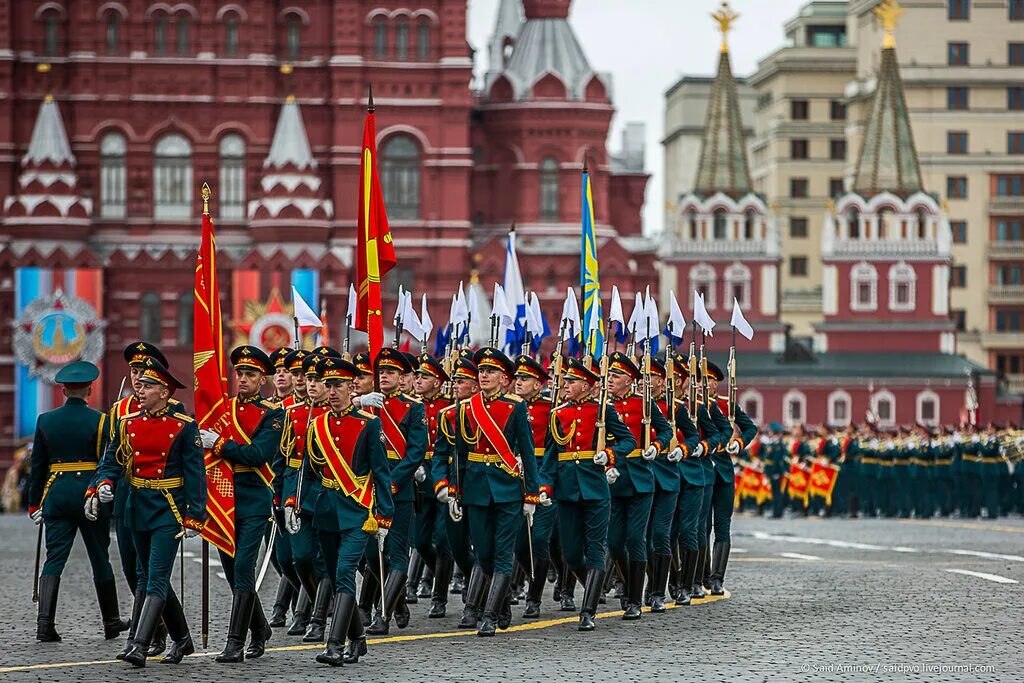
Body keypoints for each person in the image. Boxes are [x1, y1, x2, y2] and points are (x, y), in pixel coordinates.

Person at [90, 358, 205, 668]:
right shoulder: (128, 422)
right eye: (140, 385)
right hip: (137, 507)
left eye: (149, 386)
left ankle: (139, 645)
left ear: (164, 392)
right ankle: (182, 639)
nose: (140, 390)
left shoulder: (184, 427)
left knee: (155, 577)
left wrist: (196, 515)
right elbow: (112, 461)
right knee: (153, 577)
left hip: (168, 509)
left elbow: (195, 474)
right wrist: (102, 483)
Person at [300, 356, 394, 667]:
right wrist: (299, 504)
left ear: (351, 387)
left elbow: (381, 472)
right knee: (332, 572)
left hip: (358, 511)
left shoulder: (369, 423)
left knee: (343, 574)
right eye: (329, 385)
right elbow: (311, 471)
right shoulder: (318, 425)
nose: (333, 390)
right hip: (327, 510)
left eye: (338, 384)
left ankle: (334, 644)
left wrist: (385, 516)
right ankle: (358, 637)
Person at [28, 361, 128, 642]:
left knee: (54, 558)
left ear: (63, 390)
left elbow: (38, 466)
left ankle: (45, 624)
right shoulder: (102, 420)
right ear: (89, 389)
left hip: (57, 495)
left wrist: (35, 504)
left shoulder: (45, 420)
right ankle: (111, 622)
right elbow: (109, 461)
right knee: (100, 557)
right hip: (90, 495)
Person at [200, 345, 284, 663]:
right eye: (240, 373)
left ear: (262, 379)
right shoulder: (224, 410)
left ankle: (235, 641)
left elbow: (258, 455)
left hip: (253, 499)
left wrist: (218, 443)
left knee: (245, 567)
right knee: (234, 573)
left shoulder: (272, 414)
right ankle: (260, 628)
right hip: (223, 499)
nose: (244, 379)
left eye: (250, 374)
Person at [541, 357, 636, 631]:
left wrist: (609, 454)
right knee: (570, 553)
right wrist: (545, 487)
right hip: (567, 490)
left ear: (586, 385)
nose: (566, 385)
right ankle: (595, 587)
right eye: (566, 381)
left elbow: (628, 440)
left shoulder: (603, 411)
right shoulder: (557, 414)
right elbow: (551, 456)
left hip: (595, 488)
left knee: (596, 547)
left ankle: (588, 609)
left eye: (571, 382)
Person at [604, 351, 672, 620]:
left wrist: (656, 446)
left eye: (616, 375)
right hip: (614, 478)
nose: (610, 379)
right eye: (609, 374)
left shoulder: (644, 404)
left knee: (636, 539)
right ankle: (628, 583)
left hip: (641, 479)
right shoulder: (603, 405)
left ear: (630, 381)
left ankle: (636, 598)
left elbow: (665, 431)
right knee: (614, 543)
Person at [364, 348, 426, 636]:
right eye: (381, 372)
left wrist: (390, 483)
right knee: (369, 554)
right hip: (365, 490)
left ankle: (383, 613)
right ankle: (397, 600)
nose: (384, 376)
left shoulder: (413, 408)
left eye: (390, 372)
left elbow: (415, 453)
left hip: (397, 491)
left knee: (396, 553)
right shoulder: (365, 406)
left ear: (401, 378)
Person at [281, 349, 337, 638]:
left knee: (324, 561)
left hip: (328, 493)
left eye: (318, 379)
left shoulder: (336, 417)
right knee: (298, 557)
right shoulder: (292, 414)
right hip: (299, 494)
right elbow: (283, 462)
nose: (312, 384)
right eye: (309, 379)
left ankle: (317, 619)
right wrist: (282, 498)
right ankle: (319, 602)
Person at [431, 357, 482, 624]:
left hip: (482, 487)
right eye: (454, 381)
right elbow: (440, 455)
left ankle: (473, 606)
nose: (454, 386)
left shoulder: (488, 413)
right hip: (455, 485)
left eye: (461, 382)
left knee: (484, 546)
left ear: (475, 387)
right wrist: (441, 485)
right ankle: (481, 583)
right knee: (456, 545)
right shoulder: (447, 415)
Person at [650, 355, 699, 613]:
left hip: (684, 476)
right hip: (648, 475)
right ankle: (653, 586)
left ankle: (684, 586)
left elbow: (694, 437)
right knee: (652, 536)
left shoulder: (678, 408)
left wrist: (684, 449)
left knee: (684, 531)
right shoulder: (640, 406)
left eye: (652, 377)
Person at [705, 360, 757, 596]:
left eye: (709, 381)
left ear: (716, 384)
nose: (705, 384)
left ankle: (717, 578)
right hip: (702, 471)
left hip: (723, 470)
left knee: (722, 526)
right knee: (701, 527)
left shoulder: (726, 405)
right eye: (700, 380)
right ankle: (702, 574)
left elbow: (750, 428)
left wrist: (738, 442)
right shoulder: (689, 406)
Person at [511, 355, 556, 619]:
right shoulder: (509, 406)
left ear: (538, 385)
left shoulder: (550, 409)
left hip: (542, 476)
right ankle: (534, 577)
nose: (518, 382)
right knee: (519, 544)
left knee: (538, 539)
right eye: (516, 377)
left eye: (524, 378)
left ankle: (534, 597)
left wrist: (545, 484)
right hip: (515, 477)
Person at [410, 353, 453, 617]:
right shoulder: (412, 406)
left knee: (444, 539)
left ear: (438, 382)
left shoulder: (447, 407)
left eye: (425, 377)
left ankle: (440, 596)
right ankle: (439, 572)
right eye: (417, 375)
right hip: (418, 477)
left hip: (443, 476)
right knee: (421, 541)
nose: (418, 380)